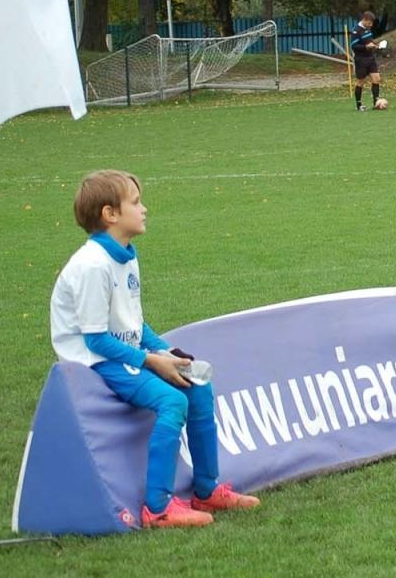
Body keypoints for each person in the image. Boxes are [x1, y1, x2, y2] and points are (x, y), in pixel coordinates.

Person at [50, 170, 260, 529]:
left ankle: (206, 489)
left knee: (198, 385)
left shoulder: (125, 255)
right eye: (135, 202)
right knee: (173, 401)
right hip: (96, 362)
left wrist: (168, 351)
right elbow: (95, 340)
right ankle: (158, 508)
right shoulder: (92, 265)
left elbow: (134, 324)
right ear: (109, 214)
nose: (144, 209)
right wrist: (152, 361)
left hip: (121, 353)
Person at [349, 10, 384, 111]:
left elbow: (369, 41)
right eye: (369, 22)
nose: (371, 24)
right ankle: (359, 105)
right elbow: (354, 46)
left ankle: (376, 103)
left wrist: (375, 45)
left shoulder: (367, 29)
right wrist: (366, 46)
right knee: (361, 81)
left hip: (370, 58)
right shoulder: (356, 30)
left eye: (372, 23)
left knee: (376, 79)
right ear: (364, 20)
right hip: (361, 59)